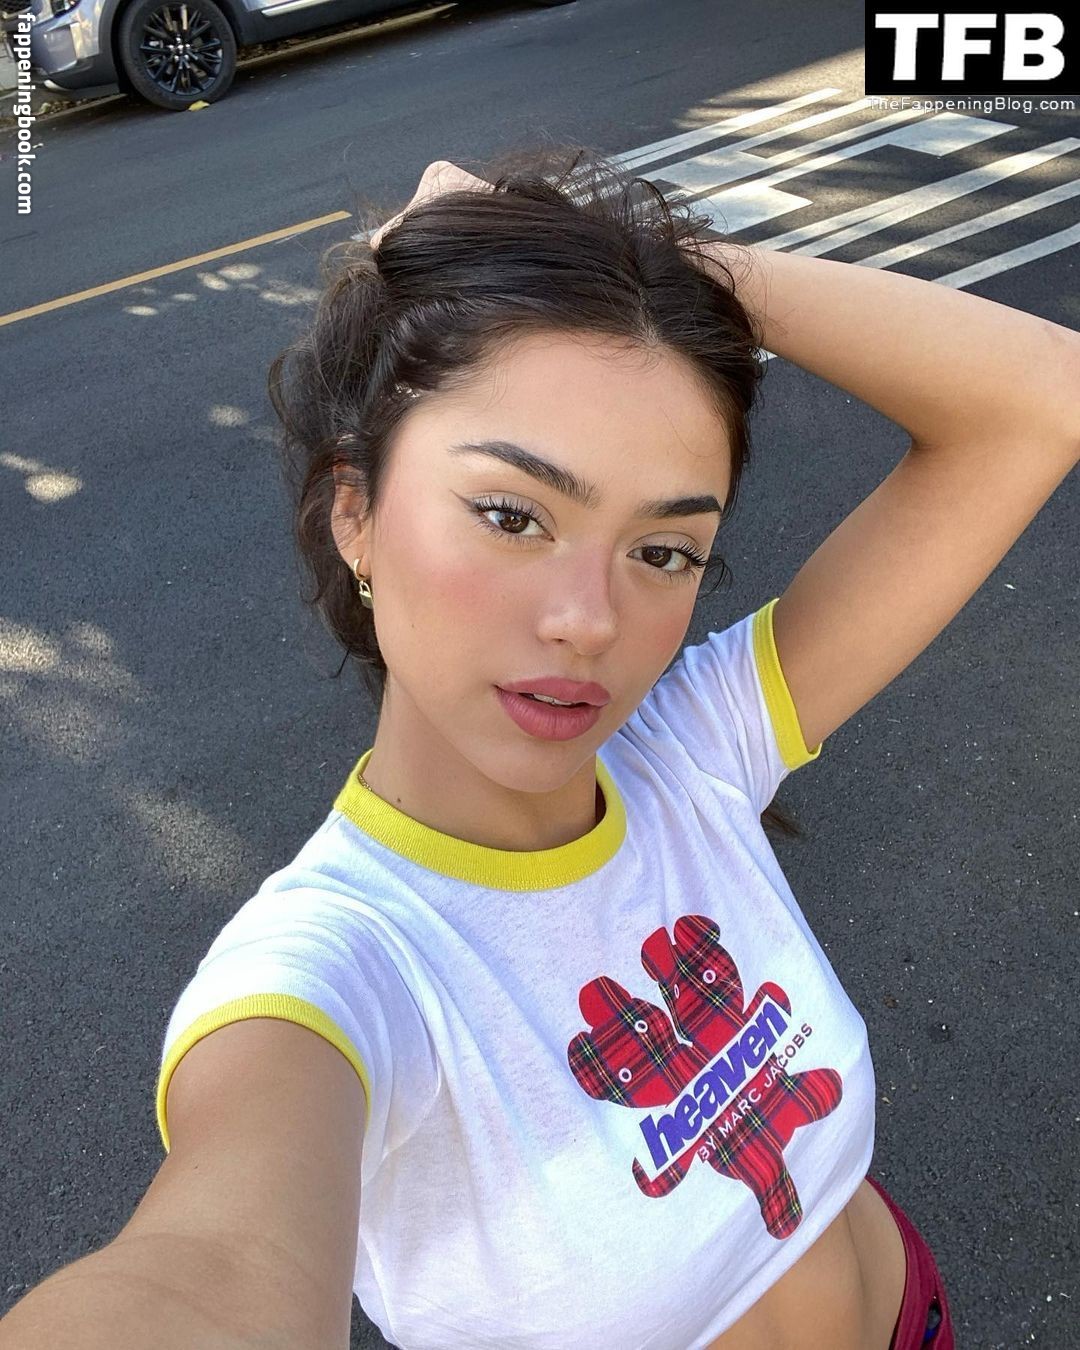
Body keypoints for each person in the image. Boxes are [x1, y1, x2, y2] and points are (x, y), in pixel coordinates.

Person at [2, 145, 1077, 1350]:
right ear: (355, 513)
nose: (588, 621)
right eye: (513, 515)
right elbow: (209, 1271)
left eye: (662, 550)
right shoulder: (336, 974)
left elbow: (1041, 397)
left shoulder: (694, 752)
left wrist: (657, 267)